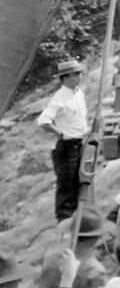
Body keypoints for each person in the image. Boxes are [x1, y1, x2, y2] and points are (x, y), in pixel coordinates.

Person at [37, 58, 88, 219]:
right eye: (74, 75)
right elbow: (43, 121)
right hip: (67, 145)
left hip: (80, 142)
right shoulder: (59, 98)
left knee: (78, 180)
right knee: (67, 182)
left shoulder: (79, 93)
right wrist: (58, 133)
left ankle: (78, 217)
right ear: (65, 78)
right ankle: (64, 218)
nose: (78, 77)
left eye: (79, 74)